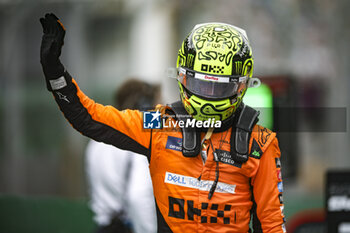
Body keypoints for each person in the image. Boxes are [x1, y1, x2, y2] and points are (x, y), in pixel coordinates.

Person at [40, 13, 286, 233]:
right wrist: (55, 72)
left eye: (220, 86)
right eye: (201, 84)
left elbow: (273, 225)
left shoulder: (261, 143)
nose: (209, 95)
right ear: (181, 77)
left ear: (242, 85)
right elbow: (89, 118)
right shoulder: (160, 124)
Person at [85, 80, 159, 233]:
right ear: (144, 105)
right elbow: (138, 197)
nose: (161, 111)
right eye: (157, 104)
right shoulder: (139, 142)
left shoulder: (95, 142)